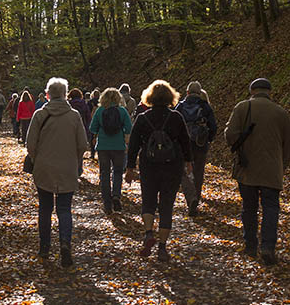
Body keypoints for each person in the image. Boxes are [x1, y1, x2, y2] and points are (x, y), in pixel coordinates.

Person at [224, 78, 290, 265]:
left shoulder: (242, 108)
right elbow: (289, 144)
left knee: (249, 207)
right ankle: (268, 247)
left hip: (248, 168)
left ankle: (250, 245)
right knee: (271, 208)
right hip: (272, 169)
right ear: (270, 92)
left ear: (251, 90)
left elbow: (230, 134)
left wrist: (240, 148)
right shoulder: (281, 113)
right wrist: (282, 165)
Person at [125, 80, 192, 262]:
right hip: (172, 165)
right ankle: (162, 247)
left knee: (148, 200)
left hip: (149, 164)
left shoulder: (143, 118)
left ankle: (148, 233)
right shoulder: (176, 117)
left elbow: (133, 145)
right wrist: (188, 161)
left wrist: (130, 167)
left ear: (150, 97)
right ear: (170, 97)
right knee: (166, 205)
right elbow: (185, 141)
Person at [26, 77, 88, 267]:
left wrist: (37, 159)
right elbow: (83, 144)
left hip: (44, 168)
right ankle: (65, 244)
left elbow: (30, 144)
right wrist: (76, 161)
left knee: (45, 209)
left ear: (47, 95)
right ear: (65, 95)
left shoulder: (39, 115)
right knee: (64, 209)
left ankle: (44, 247)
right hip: (67, 168)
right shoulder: (74, 116)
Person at [175, 81, 218, 216]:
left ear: (187, 92)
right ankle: (196, 201)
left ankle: (191, 197)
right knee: (198, 172)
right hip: (200, 144)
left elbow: (173, 123)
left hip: (183, 144)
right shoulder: (205, 107)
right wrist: (208, 139)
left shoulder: (180, 106)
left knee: (182, 171)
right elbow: (214, 126)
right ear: (200, 93)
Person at [89, 87, 132, 215]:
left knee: (104, 173)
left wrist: (96, 136)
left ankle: (107, 202)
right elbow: (129, 128)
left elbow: (92, 128)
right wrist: (125, 138)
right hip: (118, 146)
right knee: (118, 172)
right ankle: (116, 196)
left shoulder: (100, 110)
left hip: (103, 146)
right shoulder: (122, 111)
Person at [67, 88, 91, 154]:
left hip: (70, 126)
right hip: (82, 125)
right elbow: (88, 117)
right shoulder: (84, 104)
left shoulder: (68, 104)